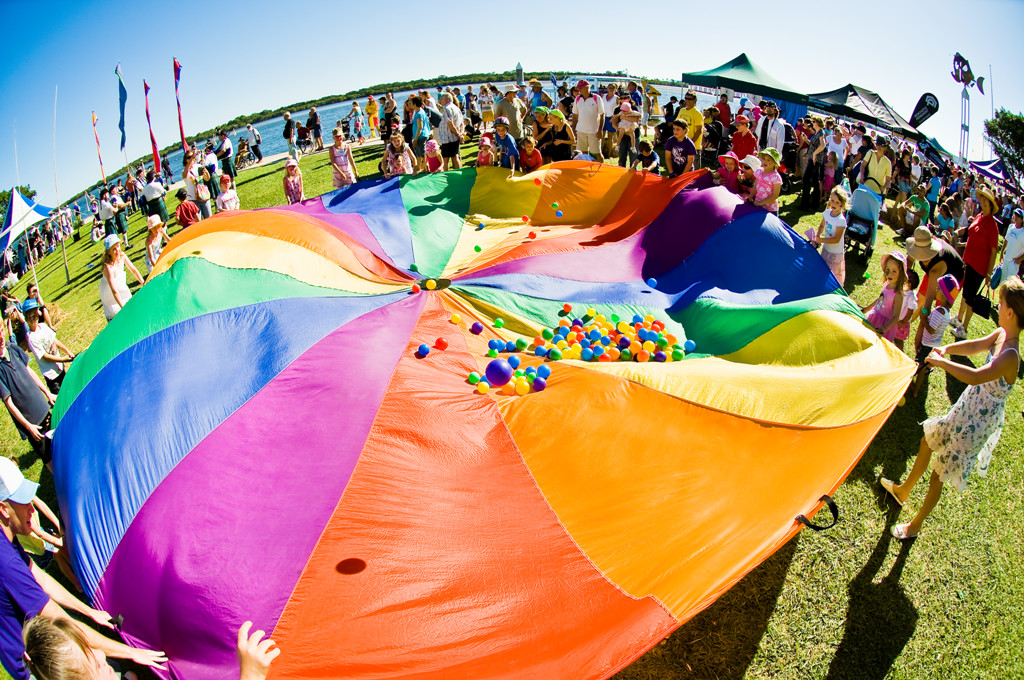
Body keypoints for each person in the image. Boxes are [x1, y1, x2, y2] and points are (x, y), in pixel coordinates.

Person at [882, 277, 1022, 540]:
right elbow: (975, 345)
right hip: (967, 407)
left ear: (1010, 312)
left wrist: (942, 363)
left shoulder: (1012, 356)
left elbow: (978, 375)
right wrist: (944, 348)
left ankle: (914, 527)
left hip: (977, 422)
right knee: (928, 440)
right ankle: (902, 491)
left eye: (1000, 303)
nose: (998, 307)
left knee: (939, 474)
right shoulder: (1002, 334)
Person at [952, 186, 1001, 339]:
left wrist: (988, 273)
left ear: (991, 204)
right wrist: (961, 232)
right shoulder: (979, 216)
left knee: (970, 298)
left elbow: (993, 251)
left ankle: (964, 329)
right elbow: (972, 233)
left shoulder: (993, 225)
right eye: (982, 198)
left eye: (986, 200)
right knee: (965, 293)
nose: (983, 201)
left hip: (980, 267)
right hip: (969, 261)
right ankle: (959, 319)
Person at [906, 226, 966, 349]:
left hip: (952, 278)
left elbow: (926, 308)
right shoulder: (919, 244)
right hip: (935, 271)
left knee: (936, 313)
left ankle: (926, 345)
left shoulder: (936, 267)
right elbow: (909, 262)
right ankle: (906, 323)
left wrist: (919, 338)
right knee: (919, 300)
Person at [911, 274, 959, 397]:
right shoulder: (944, 311)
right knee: (921, 364)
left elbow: (931, 330)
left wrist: (923, 318)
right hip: (931, 343)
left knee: (920, 368)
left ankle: (915, 390)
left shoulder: (940, 312)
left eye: (939, 289)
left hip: (927, 344)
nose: (936, 290)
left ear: (944, 294)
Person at [22, 299, 72, 394]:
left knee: (69, 392)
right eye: (31, 316)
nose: (35, 317)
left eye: (35, 314)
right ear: (27, 319)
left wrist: (67, 351)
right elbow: (45, 356)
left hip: (60, 368)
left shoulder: (43, 326)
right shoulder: (32, 338)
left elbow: (55, 341)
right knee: (61, 398)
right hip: (52, 376)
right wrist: (63, 359)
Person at [862, 251, 909, 342]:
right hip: (875, 317)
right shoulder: (887, 284)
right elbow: (880, 299)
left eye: (894, 271)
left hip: (884, 325)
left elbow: (895, 316)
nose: (890, 274)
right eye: (887, 270)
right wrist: (866, 309)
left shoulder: (898, 294)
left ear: (901, 273)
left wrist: (884, 328)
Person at [99, 235, 143, 322]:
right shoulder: (108, 266)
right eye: (113, 249)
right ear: (108, 252)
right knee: (117, 316)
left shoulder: (122, 256)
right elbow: (114, 290)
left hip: (120, 286)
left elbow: (133, 270)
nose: (117, 250)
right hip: (110, 294)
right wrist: (123, 308)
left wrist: (143, 282)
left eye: (118, 246)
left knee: (131, 309)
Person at [814, 188, 849, 286]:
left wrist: (821, 239)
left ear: (842, 205)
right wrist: (818, 235)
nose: (833, 204)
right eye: (832, 200)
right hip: (826, 249)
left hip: (836, 253)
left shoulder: (841, 220)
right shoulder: (826, 213)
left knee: (834, 276)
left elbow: (836, 239)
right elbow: (822, 226)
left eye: (837, 202)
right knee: (823, 270)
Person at [571, 80, 604, 162]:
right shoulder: (578, 99)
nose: (579, 90)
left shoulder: (597, 98)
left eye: (581, 88)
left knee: (597, 153)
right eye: (578, 89)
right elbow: (575, 115)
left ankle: (602, 169)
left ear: (587, 87)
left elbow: (602, 115)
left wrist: (600, 130)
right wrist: (573, 128)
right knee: (582, 153)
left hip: (594, 131)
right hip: (581, 130)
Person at [800, 117, 827, 210]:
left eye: (813, 122)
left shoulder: (820, 132)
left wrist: (815, 153)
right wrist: (806, 140)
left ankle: (805, 204)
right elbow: (813, 145)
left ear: (818, 123)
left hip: (815, 160)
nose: (812, 123)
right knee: (815, 182)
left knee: (806, 179)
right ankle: (814, 204)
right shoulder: (816, 133)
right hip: (813, 159)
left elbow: (823, 145)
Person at [182, 150, 212, 219]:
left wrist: (206, 172)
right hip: (193, 199)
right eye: (189, 157)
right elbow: (185, 174)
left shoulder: (199, 166)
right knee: (198, 221)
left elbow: (207, 179)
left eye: (192, 156)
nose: (191, 159)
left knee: (209, 218)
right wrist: (191, 159)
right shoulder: (185, 171)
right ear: (185, 159)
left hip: (204, 196)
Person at [438, 93, 464, 170]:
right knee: (455, 156)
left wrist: (458, 134)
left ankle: (445, 175)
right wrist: (460, 134)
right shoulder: (456, 108)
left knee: (445, 159)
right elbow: (461, 123)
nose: (440, 101)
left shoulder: (447, 109)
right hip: (454, 137)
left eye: (441, 99)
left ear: (447, 99)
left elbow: (450, 124)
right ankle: (458, 173)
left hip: (447, 137)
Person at [409, 97, 431, 172]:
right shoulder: (420, 111)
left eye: (411, 104)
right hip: (421, 135)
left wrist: (415, 139)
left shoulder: (419, 114)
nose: (410, 105)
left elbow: (420, 127)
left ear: (415, 104)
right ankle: (420, 167)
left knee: (421, 153)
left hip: (420, 136)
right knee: (419, 153)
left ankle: (425, 168)